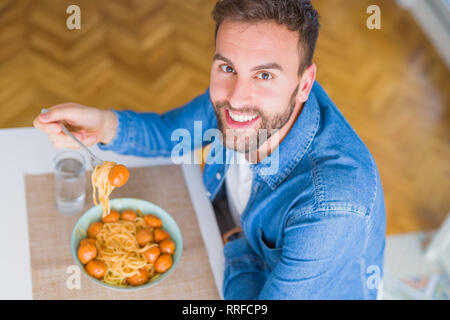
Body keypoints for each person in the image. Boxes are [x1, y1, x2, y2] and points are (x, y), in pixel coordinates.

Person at [33, 0, 386, 299]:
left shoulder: (332, 209)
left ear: (305, 83)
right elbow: (173, 133)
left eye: (264, 76)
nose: (235, 97)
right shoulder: (243, 99)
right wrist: (101, 123)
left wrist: (233, 243)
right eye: (227, 67)